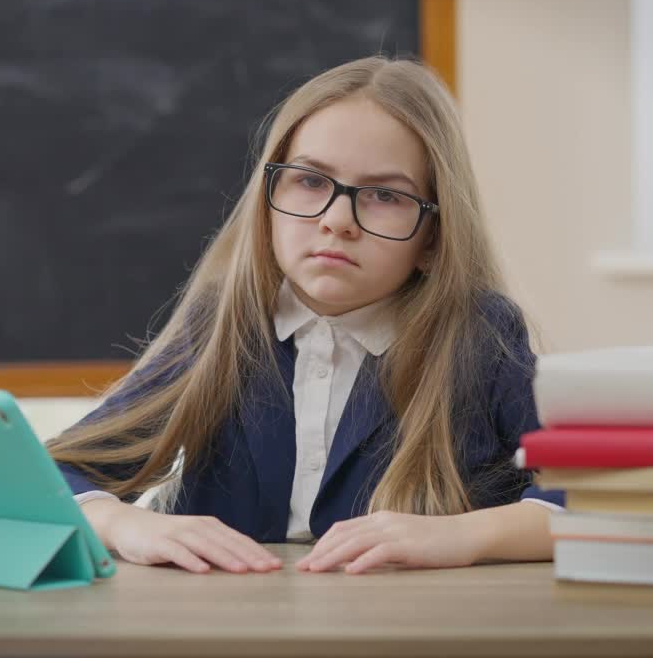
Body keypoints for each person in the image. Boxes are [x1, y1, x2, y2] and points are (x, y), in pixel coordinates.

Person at [47, 56, 563, 575]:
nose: (337, 221)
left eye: (385, 195)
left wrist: (465, 535)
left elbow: (610, 496)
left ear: (434, 236)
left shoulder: (478, 333)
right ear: (268, 203)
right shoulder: (224, 323)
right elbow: (48, 478)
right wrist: (125, 524)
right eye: (311, 182)